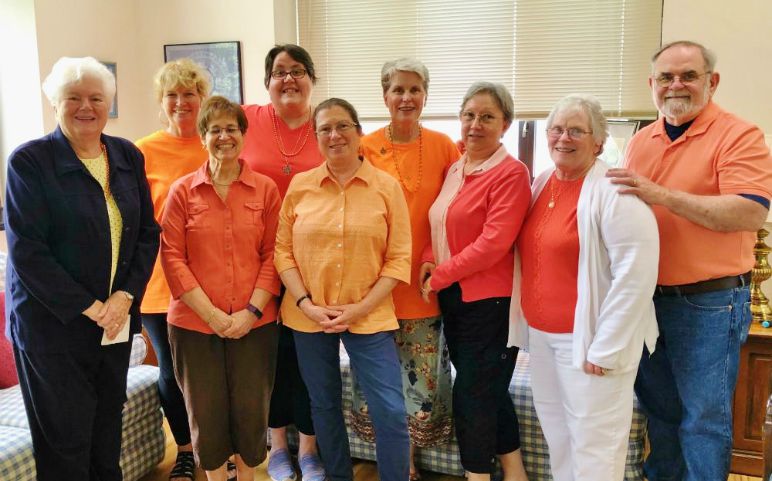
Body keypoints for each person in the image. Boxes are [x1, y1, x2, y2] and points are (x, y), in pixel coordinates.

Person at [607, 40, 772, 481]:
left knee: (703, 421)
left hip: (709, 305)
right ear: (652, 85)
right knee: (659, 414)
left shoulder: (739, 135)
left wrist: (661, 196)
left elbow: (750, 211)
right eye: (665, 77)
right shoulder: (642, 141)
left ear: (711, 82)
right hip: (648, 303)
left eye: (688, 75)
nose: (675, 85)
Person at [4, 56, 160, 481]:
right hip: (52, 327)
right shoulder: (29, 163)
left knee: (107, 429)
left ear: (109, 103)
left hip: (114, 320)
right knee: (65, 439)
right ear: (55, 103)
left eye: (96, 98)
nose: (85, 107)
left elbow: (147, 233)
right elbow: (29, 254)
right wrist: (95, 308)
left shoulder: (126, 155)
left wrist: (123, 297)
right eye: (73, 98)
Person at [510, 94, 659, 481]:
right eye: (556, 129)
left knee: (596, 446)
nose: (563, 138)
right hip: (542, 340)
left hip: (591, 343)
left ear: (598, 141)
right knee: (558, 438)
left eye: (576, 130)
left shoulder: (615, 192)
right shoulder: (542, 182)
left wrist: (606, 347)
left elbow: (636, 276)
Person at [274, 98, 412, 481]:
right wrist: (305, 302)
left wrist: (360, 308)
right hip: (307, 315)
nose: (334, 135)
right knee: (323, 404)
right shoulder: (300, 187)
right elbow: (282, 251)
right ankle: (337, 476)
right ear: (316, 137)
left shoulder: (386, 188)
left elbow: (399, 259)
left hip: (369, 314)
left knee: (390, 410)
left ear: (358, 131)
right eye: (325, 129)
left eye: (342, 126)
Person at [160, 96, 281, 481]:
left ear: (244, 136)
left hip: (255, 325)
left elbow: (275, 254)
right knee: (206, 415)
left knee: (251, 413)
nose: (224, 137)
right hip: (194, 327)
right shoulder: (181, 192)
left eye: (232, 129)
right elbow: (172, 259)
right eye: (215, 130)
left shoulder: (265, 190)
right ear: (202, 138)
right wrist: (212, 315)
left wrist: (250, 313)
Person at [355, 57, 458, 480]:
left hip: (424, 282)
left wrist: (436, 258)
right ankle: (398, 464)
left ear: (425, 96)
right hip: (375, 286)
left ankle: (411, 460)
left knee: (421, 379)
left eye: (415, 89)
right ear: (384, 96)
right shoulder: (364, 147)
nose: (406, 97)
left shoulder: (445, 145)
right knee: (380, 381)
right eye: (398, 89)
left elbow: (455, 210)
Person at [422, 82, 530, 481]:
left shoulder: (511, 173)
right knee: (487, 389)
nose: (475, 124)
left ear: (505, 124)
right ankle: (515, 471)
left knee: (472, 396)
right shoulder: (456, 167)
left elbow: (493, 243)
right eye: (469, 115)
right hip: (456, 299)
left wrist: (441, 275)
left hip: (491, 305)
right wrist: (428, 260)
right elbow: (440, 224)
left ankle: (476, 476)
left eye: (487, 117)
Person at [240, 43, 325, 481]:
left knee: (306, 357)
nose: (288, 79)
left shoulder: (327, 123)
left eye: (298, 70)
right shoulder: (247, 119)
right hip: (254, 262)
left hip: (311, 263)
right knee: (268, 359)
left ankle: (308, 450)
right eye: (279, 72)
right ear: (267, 82)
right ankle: (276, 447)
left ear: (313, 78)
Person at [135, 58, 210, 481]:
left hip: (215, 280)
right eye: (172, 95)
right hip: (160, 283)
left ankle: (219, 451)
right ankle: (184, 449)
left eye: (189, 94)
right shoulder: (141, 150)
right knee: (171, 370)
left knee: (211, 372)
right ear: (162, 103)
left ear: (202, 98)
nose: (181, 102)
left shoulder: (216, 142)